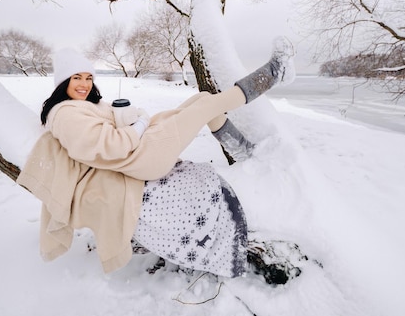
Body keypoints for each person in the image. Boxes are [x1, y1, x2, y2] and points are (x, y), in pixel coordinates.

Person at [17, 37, 295, 278]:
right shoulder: (65, 115)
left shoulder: (82, 106)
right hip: (143, 158)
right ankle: (274, 72)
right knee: (207, 105)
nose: (84, 84)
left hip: (140, 149)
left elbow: (111, 120)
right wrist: (138, 126)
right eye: (76, 78)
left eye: (88, 77)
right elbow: (112, 146)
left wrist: (131, 117)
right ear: (62, 82)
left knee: (200, 100)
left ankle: (241, 149)